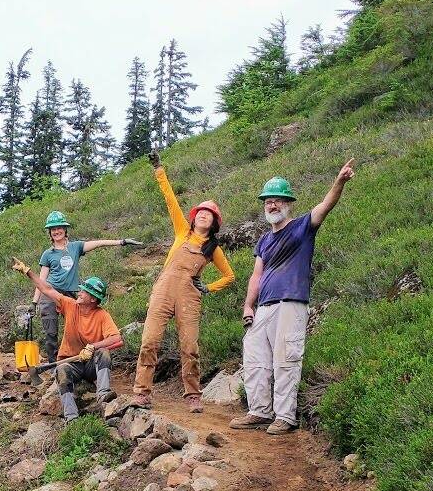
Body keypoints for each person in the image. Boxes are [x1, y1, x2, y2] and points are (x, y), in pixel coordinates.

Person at [233, 163, 355, 434]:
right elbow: (256, 276)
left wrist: (339, 181)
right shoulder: (264, 240)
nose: (272, 205)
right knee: (255, 360)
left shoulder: (302, 227)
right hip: (262, 307)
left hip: (291, 304)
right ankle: (259, 411)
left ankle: (285, 417)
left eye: (277, 200)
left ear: (289, 203)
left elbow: (326, 205)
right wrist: (247, 305)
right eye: (268, 201)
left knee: (287, 360)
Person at [131, 161, 235, 409]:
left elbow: (229, 276)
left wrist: (208, 287)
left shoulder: (213, 249)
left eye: (208, 214)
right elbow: (170, 200)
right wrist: (159, 170)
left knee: (189, 346)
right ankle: (142, 392)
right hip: (163, 290)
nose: (203, 214)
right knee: (149, 341)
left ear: (214, 223)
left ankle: (193, 396)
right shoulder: (182, 231)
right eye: (200, 211)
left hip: (189, 296)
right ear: (194, 216)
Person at [15, 260, 123, 420]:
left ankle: (103, 395)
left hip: (90, 365)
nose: (79, 293)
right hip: (70, 363)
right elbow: (47, 288)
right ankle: (71, 417)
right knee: (62, 371)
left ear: (93, 299)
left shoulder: (102, 315)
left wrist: (92, 346)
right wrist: (28, 272)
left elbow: (116, 338)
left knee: (103, 352)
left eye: (84, 291)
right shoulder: (70, 305)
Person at [33, 211, 139, 366]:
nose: (56, 231)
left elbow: (98, 243)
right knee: (51, 332)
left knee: (76, 329)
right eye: (53, 229)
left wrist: (121, 242)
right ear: (49, 232)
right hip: (51, 294)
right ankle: (53, 365)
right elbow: (42, 281)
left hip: (71, 293)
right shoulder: (47, 254)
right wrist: (34, 302)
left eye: (59, 228)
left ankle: (79, 361)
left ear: (65, 229)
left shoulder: (76, 247)